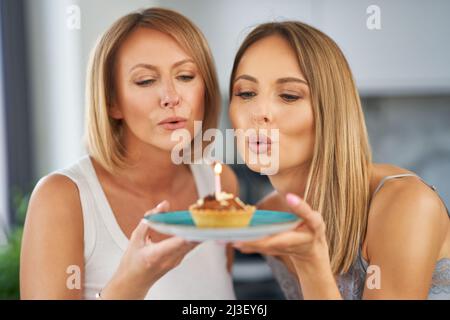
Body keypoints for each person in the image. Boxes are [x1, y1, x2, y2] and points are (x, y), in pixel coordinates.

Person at [20, 8, 238, 300]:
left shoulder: (219, 185)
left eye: (185, 76)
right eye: (146, 80)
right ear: (112, 103)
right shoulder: (62, 199)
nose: (171, 97)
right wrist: (129, 285)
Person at [228, 21, 450, 299]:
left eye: (289, 95)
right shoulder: (271, 214)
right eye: (246, 93)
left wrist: (310, 262)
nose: (259, 113)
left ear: (330, 111)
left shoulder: (406, 204)